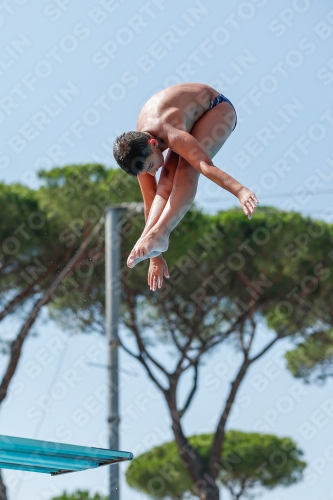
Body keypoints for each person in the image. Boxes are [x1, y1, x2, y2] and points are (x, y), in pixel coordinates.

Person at [113, 83, 259, 291]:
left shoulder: (169, 133)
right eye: (145, 172)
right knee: (165, 181)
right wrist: (154, 256)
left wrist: (240, 190)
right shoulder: (138, 154)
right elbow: (150, 201)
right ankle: (153, 238)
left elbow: (205, 166)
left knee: (186, 170)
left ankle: (161, 234)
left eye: (151, 166)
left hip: (215, 108)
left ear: (153, 143)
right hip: (185, 117)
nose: (150, 172)